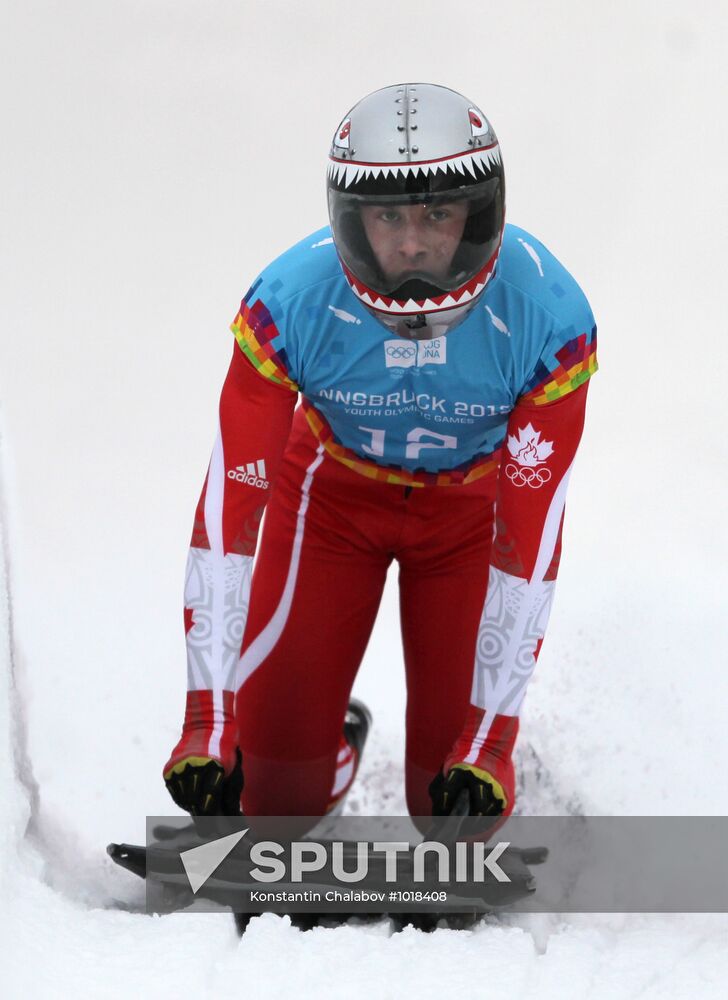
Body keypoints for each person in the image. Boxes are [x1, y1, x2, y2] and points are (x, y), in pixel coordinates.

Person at [162, 83, 597, 823]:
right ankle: (323, 750)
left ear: (481, 211)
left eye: (438, 212)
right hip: (329, 503)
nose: (412, 242)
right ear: (350, 218)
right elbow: (232, 507)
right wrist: (207, 720)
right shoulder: (286, 302)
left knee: (454, 807)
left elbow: (528, 540)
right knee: (275, 802)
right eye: (388, 214)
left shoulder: (552, 319)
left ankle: (489, 770)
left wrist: (488, 747)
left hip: (470, 520)